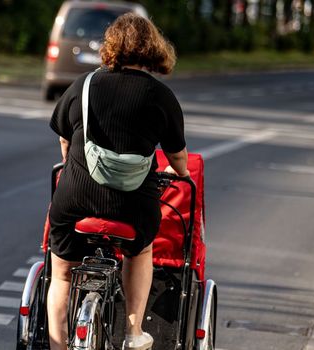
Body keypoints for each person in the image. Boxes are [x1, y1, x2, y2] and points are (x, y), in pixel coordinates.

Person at [45, 13, 190, 350]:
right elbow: (179, 160)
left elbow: (65, 141)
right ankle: (134, 334)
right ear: (154, 48)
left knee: (63, 273)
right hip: (132, 204)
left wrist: (76, 168)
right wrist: (176, 173)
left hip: (75, 197)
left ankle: (57, 345)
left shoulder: (84, 85)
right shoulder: (160, 96)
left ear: (110, 46)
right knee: (139, 251)